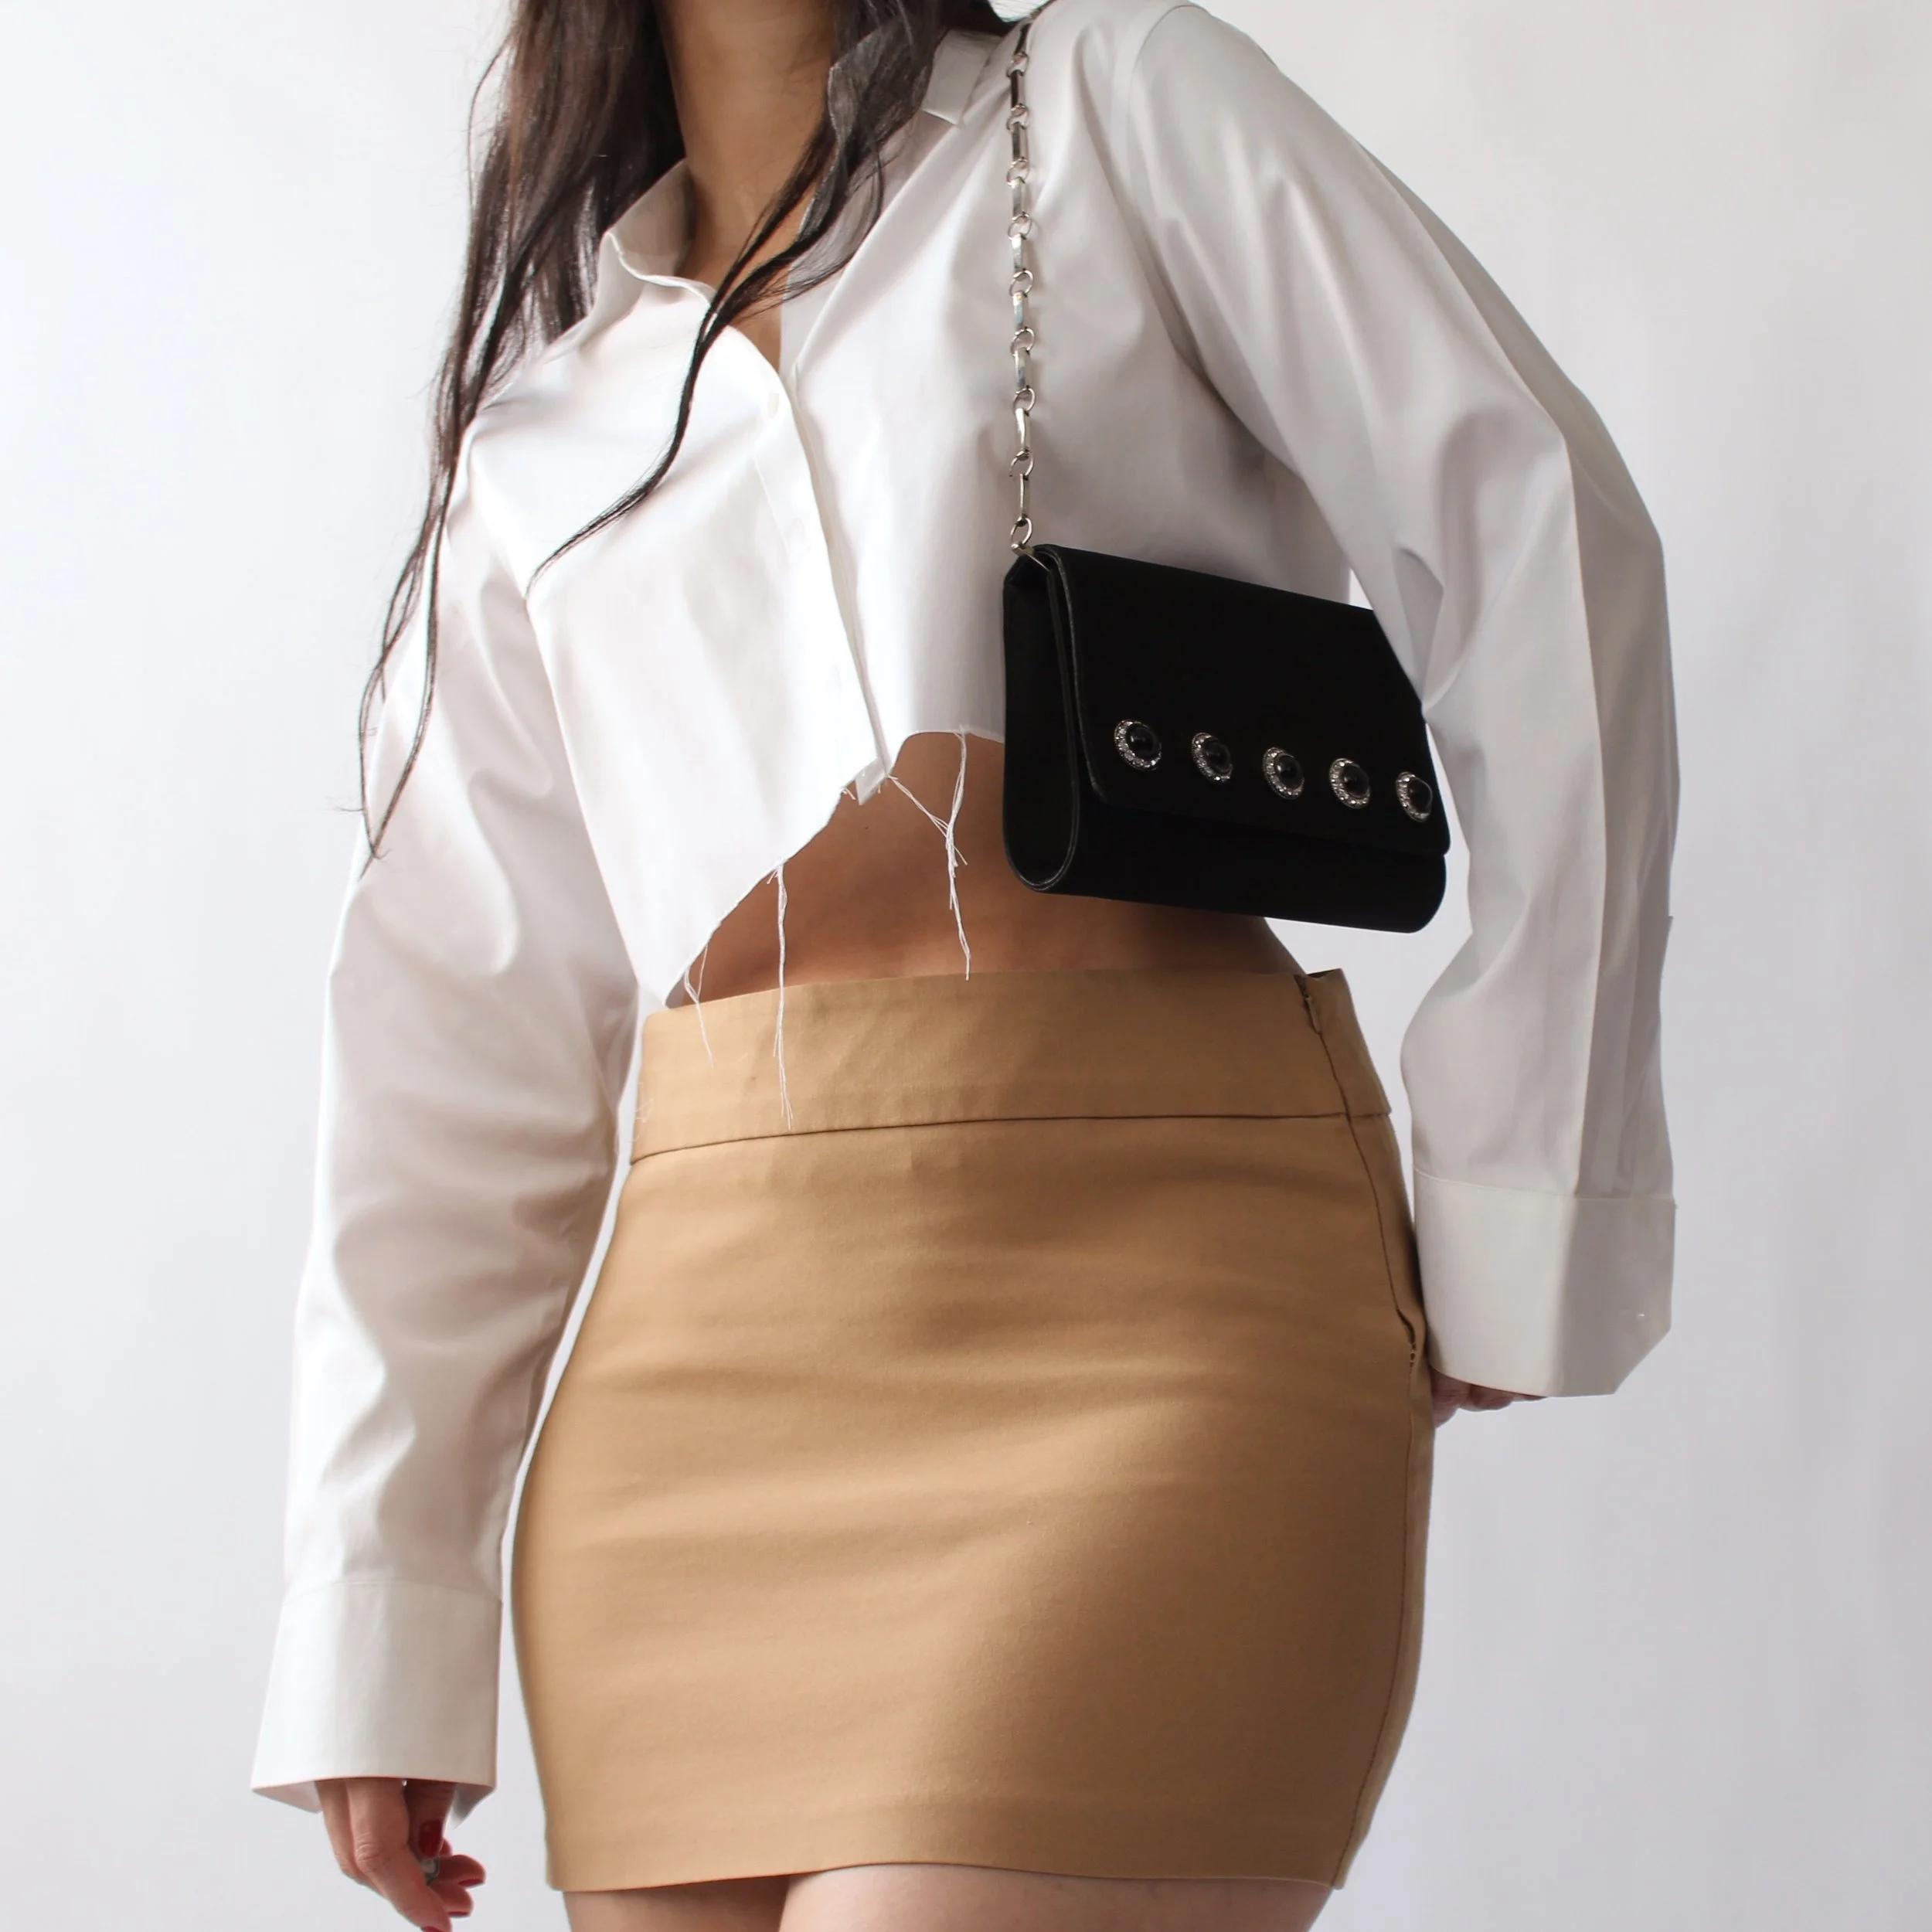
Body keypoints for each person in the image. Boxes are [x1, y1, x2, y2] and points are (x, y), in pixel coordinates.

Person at [250, 0, 1679, 1927]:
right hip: (685, 1430)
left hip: (1155, 1319)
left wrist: (1521, 1166)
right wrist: (382, 1603)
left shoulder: (1112, 113)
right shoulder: (544, 424)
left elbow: (1532, 522)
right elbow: (450, 1034)